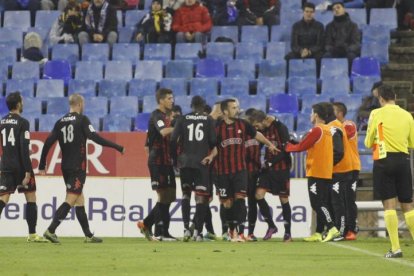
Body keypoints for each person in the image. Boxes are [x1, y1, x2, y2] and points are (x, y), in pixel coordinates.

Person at [39, 94, 124, 244]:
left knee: (79, 200)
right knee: (70, 199)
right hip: (78, 167)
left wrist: (41, 164)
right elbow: (95, 137)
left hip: (65, 166)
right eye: (83, 103)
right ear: (79, 104)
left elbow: (48, 142)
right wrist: (117, 147)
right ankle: (51, 230)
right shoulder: (82, 120)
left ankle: (88, 235)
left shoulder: (60, 122)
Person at [204, 99, 278, 242]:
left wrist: (269, 145)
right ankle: (231, 230)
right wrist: (210, 156)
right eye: (233, 108)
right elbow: (214, 147)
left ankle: (241, 232)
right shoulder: (217, 127)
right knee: (227, 204)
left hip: (240, 171)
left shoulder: (243, 125)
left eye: (237, 107)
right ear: (225, 111)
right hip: (223, 172)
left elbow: (257, 135)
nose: (237, 110)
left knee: (240, 200)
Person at [364, 85, 414, 258]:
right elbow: (412, 142)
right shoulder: (407, 115)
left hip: (384, 161)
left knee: (389, 205)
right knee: (407, 204)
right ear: (395, 97)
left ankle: (395, 248)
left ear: (381, 99)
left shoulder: (376, 114)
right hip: (403, 160)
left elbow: (368, 142)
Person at [285, 103, 340, 242]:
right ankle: (318, 232)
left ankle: (332, 228)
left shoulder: (317, 130)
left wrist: (285, 147)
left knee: (317, 203)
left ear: (315, 115)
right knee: (322, 202)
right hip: (325, 171)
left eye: (311, 113)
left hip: (316, 171)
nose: (310, 116)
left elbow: (301, 147)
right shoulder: (328, 129)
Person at [0, 92, 46, 243]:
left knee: (4, 198)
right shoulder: (23, 122)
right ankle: (32, 234)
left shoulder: (2, 122)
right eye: (22, 100)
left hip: (5, 165)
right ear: (18, 104)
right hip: (21, 166)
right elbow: (23, 147)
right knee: (31, 197)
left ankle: (32, 234)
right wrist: (27, 171)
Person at [170, 95, 216, 241]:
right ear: (203, 106)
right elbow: (214, 141)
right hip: (201, 162)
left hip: (185, 162)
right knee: (201, 198)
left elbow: (172, 139)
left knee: (186, 194)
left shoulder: (182, 119)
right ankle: (198, 232)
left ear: (191, 106)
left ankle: (185, 230)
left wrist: (175, 159)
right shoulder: (208, 120)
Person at [137, 88, 177, 241]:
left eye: (172, 98)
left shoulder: (166, 117)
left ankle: (149, 225)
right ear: (161, 100)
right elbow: (163, 132)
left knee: (170, 196)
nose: (172, 101)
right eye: (169, 98)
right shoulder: (157, 116)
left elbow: (147, 143)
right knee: (163, 196)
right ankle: (160, 231)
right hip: (158, 162)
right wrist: (179, 128)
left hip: (166, 161)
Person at [249, 110, 293, 242]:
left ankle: (288, 234)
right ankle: (272, 226)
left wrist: (270, 162)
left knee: (283, 199)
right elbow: (259, 145)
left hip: (282, 168)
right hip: (268, 169)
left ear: (264, 120)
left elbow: (286, 150)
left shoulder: (281, 128)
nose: (256, 129)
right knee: (258, 195)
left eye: (257, 125)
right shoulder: (263, 131)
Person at [333, 101, 360, 240]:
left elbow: (344, 136)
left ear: (340, 113)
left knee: (349, 198)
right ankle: (342, 228)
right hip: (341, 167)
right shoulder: (334, 127)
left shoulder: (348, 125)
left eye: (334, 111)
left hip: (352, 166)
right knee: (340, 199)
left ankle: (352, 229)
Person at [326, 102, 353, 240]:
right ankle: (338, 229)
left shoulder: (334, 127)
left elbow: (339, 152)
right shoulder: (334, 125)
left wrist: (329, 165)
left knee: (338, 201)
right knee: (335, 201)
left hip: (340, 170)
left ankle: (341, 231)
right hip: (340, 169)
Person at [285, 2, 324, 71]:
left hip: (314, 52)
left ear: (314, 13)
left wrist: (309, 51)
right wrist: (301, 51)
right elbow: (294, 45)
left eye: (311, 12)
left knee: (321, 57)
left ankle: (317, 77)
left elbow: (320, 45)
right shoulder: (296, 26)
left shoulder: (319, 26)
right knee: (288, 57)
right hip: (300, 52)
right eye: (307, 11)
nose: (309, 14)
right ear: (303, 12)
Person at [242, 108, 262, 241]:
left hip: (254, 172)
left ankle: (251, 232)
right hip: (243, 172)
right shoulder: (241, 134)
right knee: (240, 202)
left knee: (252, 202)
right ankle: (238, 231)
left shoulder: (257, 135)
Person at [324, 1, 360, 66]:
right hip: (334, 52)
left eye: (338, 7)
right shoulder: (329, 26)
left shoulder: (353, 25)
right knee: (326, 56)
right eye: (334, 9)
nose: (336, 10)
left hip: (348, 51)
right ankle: (328, 75)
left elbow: (356, 43)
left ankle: (350, 75)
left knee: (351, 56)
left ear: (344, 9)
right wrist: (333, 49)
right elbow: (327, 43)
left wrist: (347, 49)